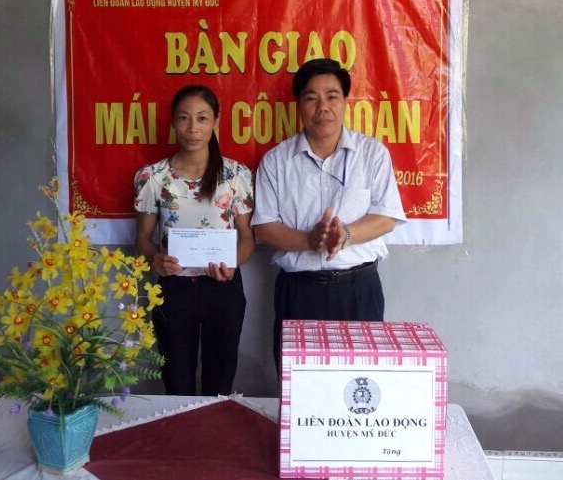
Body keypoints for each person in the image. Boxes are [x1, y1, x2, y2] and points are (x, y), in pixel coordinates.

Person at [251, 58, 407, 368]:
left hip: (358, 290)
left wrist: (346, 234)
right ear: (299, 105)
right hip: (299, 292)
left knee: (359, 383)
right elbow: (264, 229)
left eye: (332, 96)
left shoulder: (372, 154)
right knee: (300, 385)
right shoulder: (276, 161)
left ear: (346, 101)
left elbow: (386, 217)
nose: (322, 107)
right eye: (311, 98)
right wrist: (309, 241)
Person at [134, 84, 255, 396]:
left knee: (221, 382)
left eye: (202, 118)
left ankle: (215, 428)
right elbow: (143, 239)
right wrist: (155, 259)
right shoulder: (153, 177)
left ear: (216, 122)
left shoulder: (235, 175)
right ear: (173, 122)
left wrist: (233, 265)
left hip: (223, 287)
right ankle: (181, 428)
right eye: (184, 118)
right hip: (173, 289)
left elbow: (247, 237)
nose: (192, 128)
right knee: (176, 380)